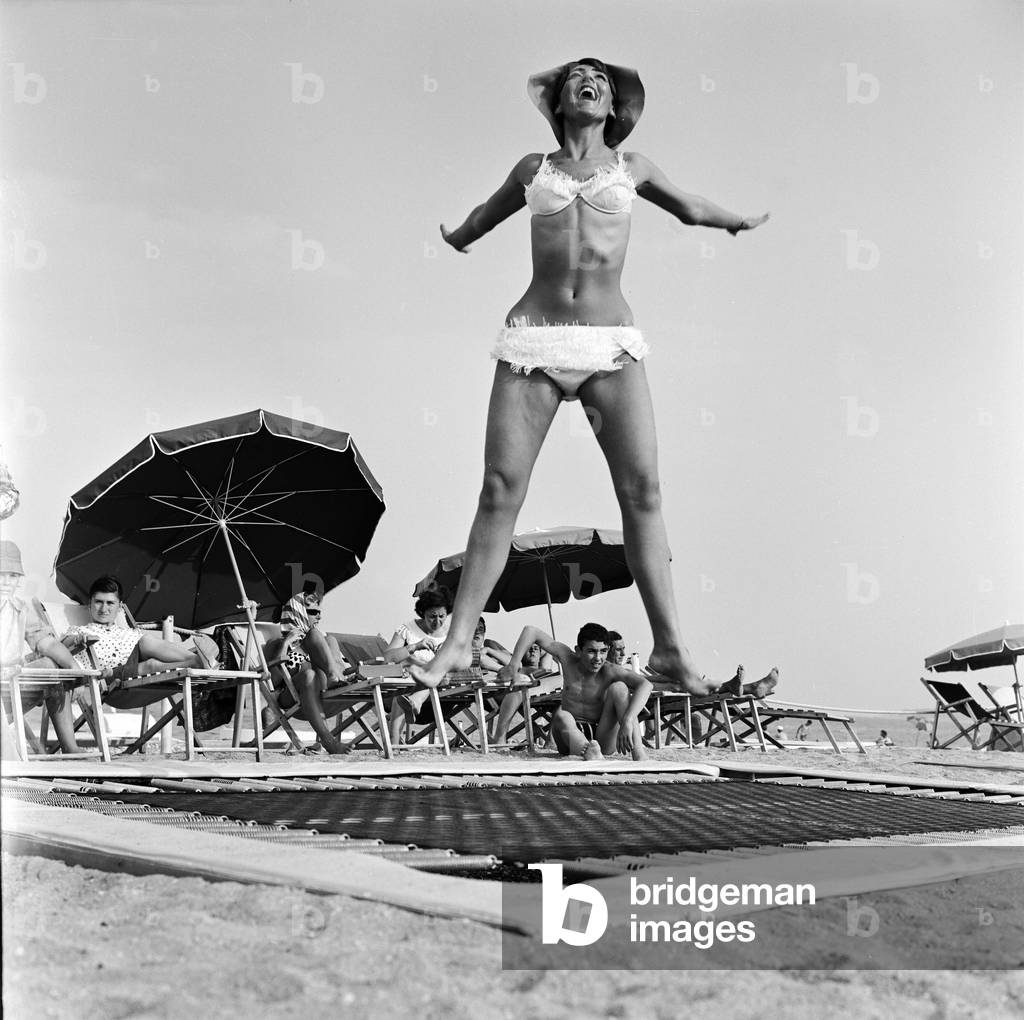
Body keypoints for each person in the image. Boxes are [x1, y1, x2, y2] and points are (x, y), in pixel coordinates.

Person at [410, 58, 768, 699]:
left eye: (601, 79)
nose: (589, 81)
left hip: (608, 343)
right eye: (578, 75)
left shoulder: (634, 168)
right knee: (499, 490)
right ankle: (459, 642)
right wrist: (457, 234)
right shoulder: (533, 168)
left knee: (645, 493)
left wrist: (736, 220)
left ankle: (673, 652)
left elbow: (688, 208)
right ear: (558, 99)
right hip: (534, 339)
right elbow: (487, 214)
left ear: (615, 105)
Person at [498, 621, 651, 760]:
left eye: (603, 651)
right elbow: (531, 631)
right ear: (578, 650)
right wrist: (513, 664)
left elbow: (645, 685)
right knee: (562, 715)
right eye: (591, 651)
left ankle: (638, 752)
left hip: (602, 736)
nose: (598, 658)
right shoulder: (567, 659)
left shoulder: (610, 671)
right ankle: (588, 752)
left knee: (620, 688)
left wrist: (627, 720)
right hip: (568, 736)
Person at [0, 540, 83, 754]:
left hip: (10, 686)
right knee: (48, 666)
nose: (6, 582)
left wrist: (75, 670)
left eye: (12, 575)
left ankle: (70, 748)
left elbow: (47, 642)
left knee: (52, 664)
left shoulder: (19, 608)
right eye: (1, 574)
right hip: (5, 683)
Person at [62, 576, 212, 679]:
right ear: (90, 604)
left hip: (133, 655)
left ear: (120, 607)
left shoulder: (127, 632)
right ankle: (197, 661)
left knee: (146, 640)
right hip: (108, 673)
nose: (103, 608)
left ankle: (198, 659)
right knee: (151, 664)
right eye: (99, 602)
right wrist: (79, 639)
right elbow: (63, 646)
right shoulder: (80, 630)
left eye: (110, 603)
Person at [385, 583, 452, 743]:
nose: (437, 621)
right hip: (408, 688)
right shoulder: (408, 629)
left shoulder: (450, 634)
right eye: (432, 616)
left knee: (435, 671)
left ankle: (416, 701)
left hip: (443, 697)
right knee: (401, 694)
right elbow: (388, 657)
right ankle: (393, 747)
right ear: (423, 613)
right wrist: (414, 646)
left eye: (442, 616)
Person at [490, 635, 560, 746]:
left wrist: (537, 645)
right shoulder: (515, 667)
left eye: (536, 648)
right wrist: (516, 659)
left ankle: (551, 741)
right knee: (518, 688)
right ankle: (499, 738)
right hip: (516, 692)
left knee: (564, 697)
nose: (533, 650)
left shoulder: (543, 669)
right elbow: (489, 642)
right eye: (529, 648)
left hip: (540, 692)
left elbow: (548, 650)